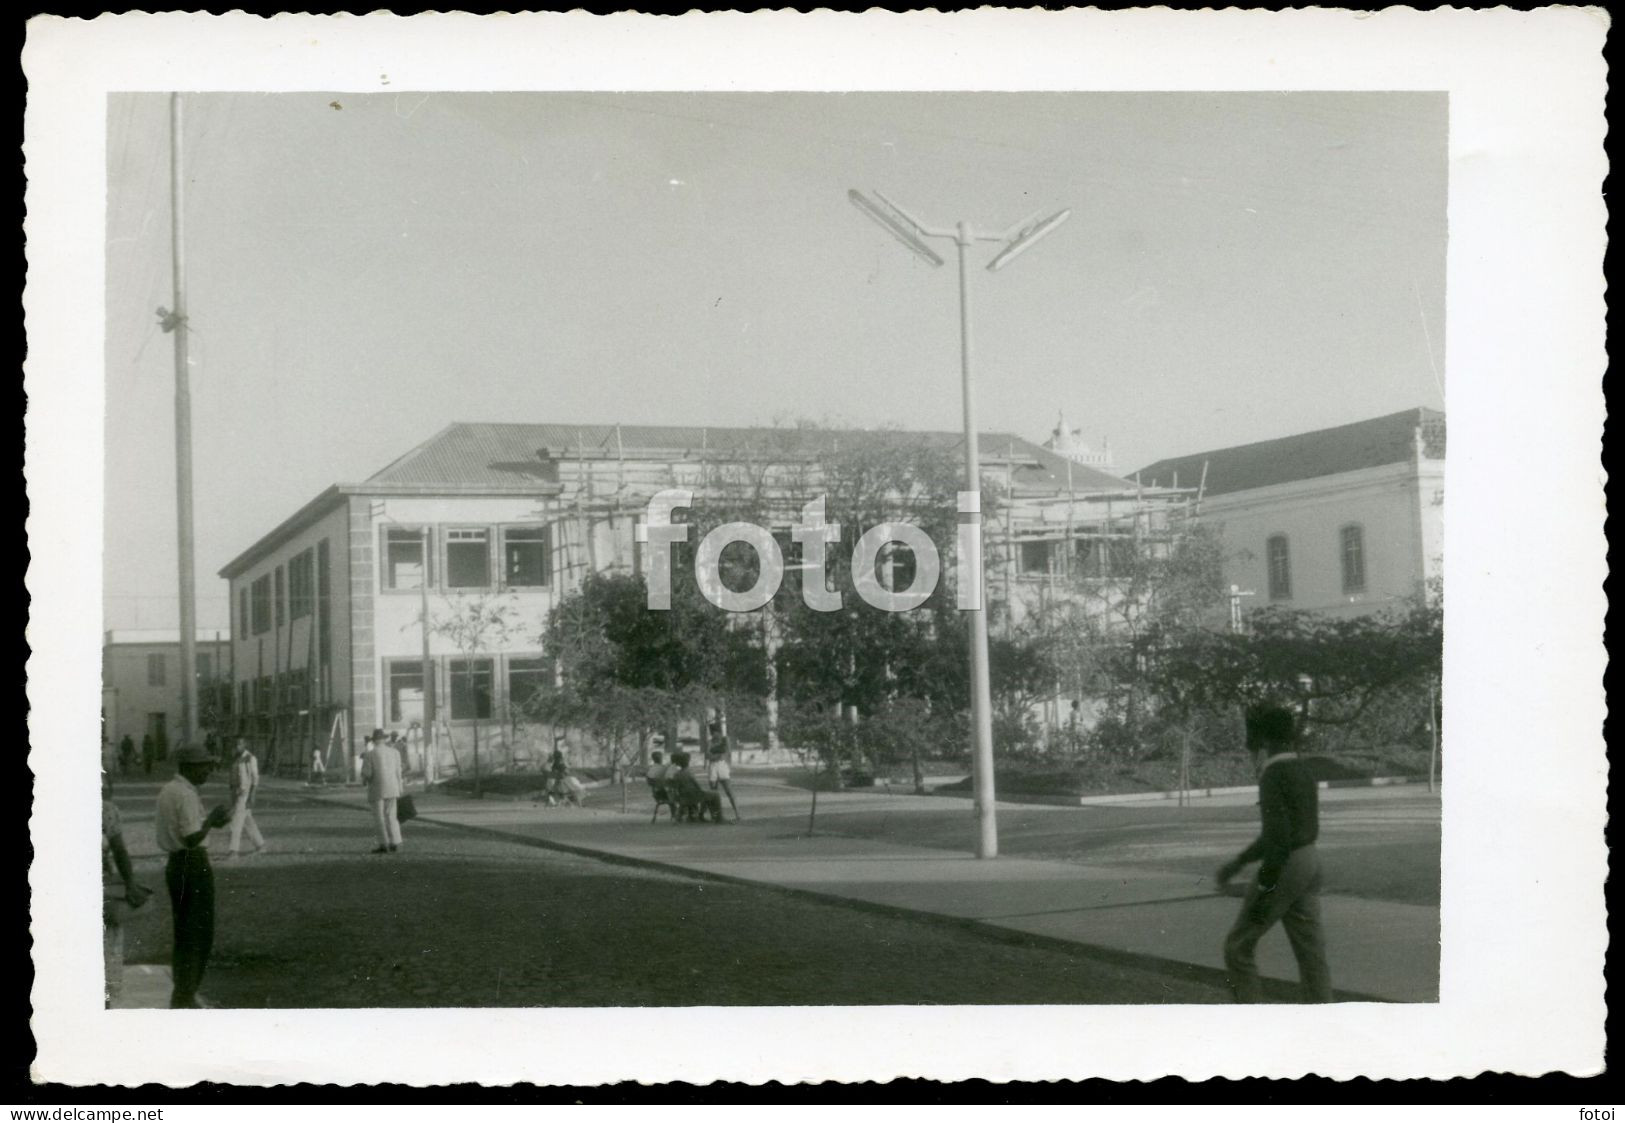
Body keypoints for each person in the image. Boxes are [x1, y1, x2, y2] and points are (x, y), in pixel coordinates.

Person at [1215, 703, 1333, 1004]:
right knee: (1311, 954)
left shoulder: (1272, 774)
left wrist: (1262, 891)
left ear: (1263, 741)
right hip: (1310, 861)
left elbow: (1276, 839)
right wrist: (1241, 862)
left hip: (1287, 864)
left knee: (1238, 947)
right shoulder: (1302, 768)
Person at [155, 744, 231, 1008]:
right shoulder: (186, 794)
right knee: (199, 933)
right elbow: (190, 838)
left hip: (176, 865)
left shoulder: (169, 790)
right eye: (204, 765)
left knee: (184, 931)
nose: (208, 770)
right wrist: (210, 821)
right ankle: (185, 995)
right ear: (188, 768)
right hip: (192, 863)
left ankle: (183, 991)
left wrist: (210, 824)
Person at [102, 773, 151, 1007]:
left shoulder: (105, 811)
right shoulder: (105, 809)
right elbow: (119, 851)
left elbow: (119, 851)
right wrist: (129, 883)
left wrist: (130, 883)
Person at [362, 728, 403, 854]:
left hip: (377, 788)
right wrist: (400, 787)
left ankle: (383, 844)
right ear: (384, 740)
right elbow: (399, 772)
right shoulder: (395, 752)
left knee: (379, 817)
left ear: (374, 741)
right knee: (391, 816)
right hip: (393, 787)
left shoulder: (370, 754)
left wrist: (364, 779)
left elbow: (367, 774)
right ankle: (395, 842)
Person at [224, 739, 266, 858]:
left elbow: (255, 779)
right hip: (235, 793)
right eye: (234, 744)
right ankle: (260, 845)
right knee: (248, 821)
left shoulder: (250, 758)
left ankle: (233, 851)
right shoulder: (235, 759)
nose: (236, 747)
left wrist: (251, 796)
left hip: (244, 794)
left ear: (244, 745)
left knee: (236, 822)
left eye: (239, 744)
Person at [668, 752, 723, 824]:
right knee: (715, 794)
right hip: (694, 797)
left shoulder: (677, 774)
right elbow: (698, 786)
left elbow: (676, 788)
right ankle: (719, 817)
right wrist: (703, 790)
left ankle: (700, 815)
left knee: (707, 794)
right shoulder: (690, 772)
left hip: (683, 797)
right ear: (688, 762)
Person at [706, 743, 741, 823]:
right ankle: (715, 815)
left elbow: (725, 754)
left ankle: (737, 814)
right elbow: (709, 756)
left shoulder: (723, 739)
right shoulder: (710, 742)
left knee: (729, 792)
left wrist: (716, 756)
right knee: (713, 792)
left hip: (721, 765)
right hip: (715, 766)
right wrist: (717, 756)